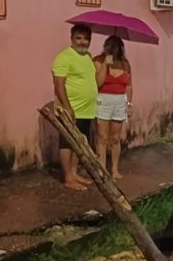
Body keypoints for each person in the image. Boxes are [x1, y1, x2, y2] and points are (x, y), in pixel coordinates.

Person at [52, 24, 98, 191]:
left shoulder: (88, 57)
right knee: (67, 143)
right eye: (78, 38)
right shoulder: (64, 57)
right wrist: (67, 106)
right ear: (71, 38)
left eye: (86, 39)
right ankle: (68, 177)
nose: (82, 42)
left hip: (87, 110)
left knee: (80, 142)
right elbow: (59, 84)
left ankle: (74, 172)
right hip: (70, 109)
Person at [93, 36, 133, 180]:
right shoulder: (98, 60)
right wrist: (105, 65)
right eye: (110, 45)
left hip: (119, 101)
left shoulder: (125, 64)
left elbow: (129, 86)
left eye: (116, 45)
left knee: (115, 138)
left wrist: (129, 104)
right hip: (103, 99)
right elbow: (98, 83)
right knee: (102, 137)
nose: (113, 48)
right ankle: (101, 169)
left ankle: (114, 169)